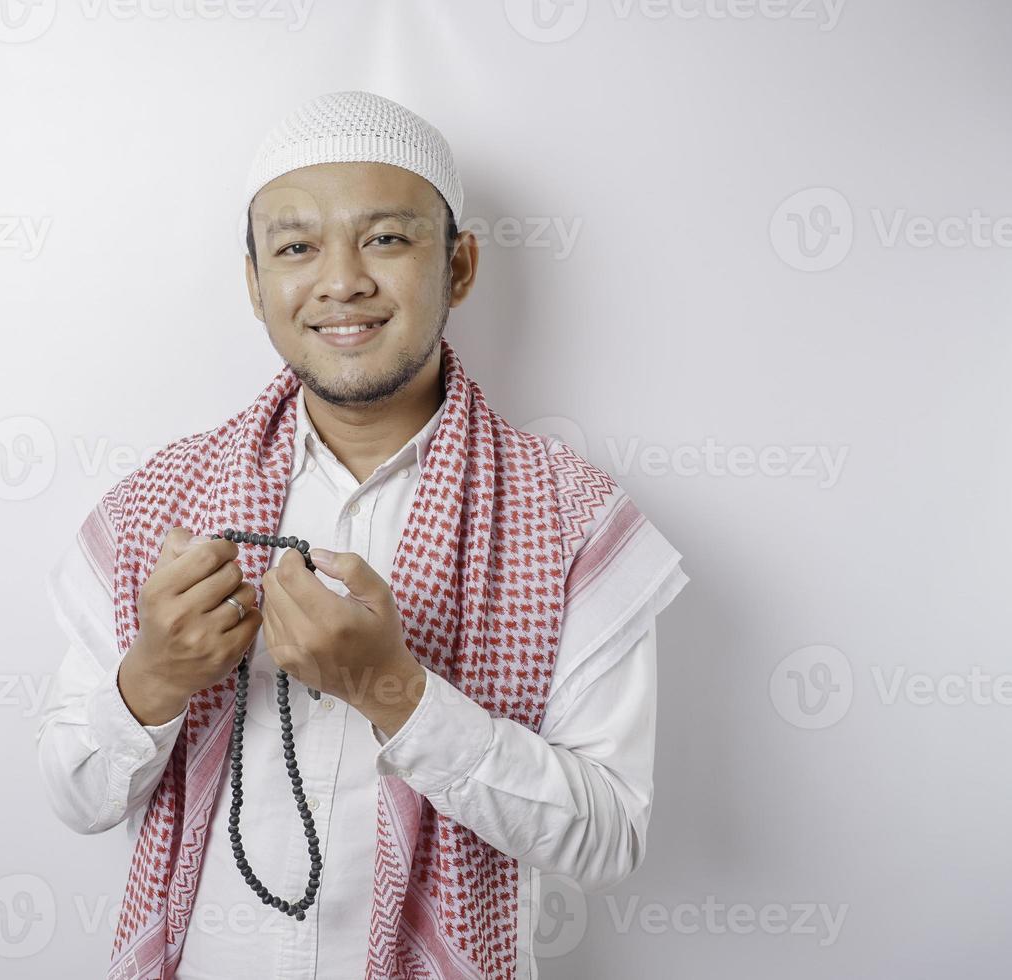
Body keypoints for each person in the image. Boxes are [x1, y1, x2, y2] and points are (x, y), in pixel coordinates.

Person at [35, 90, 689, 980]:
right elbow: (77, 797)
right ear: (255, 282)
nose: (341, 280)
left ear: (458, 267)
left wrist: (393, 691)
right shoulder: (160, 506)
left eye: (386, 238)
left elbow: (608, 836)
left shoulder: (570, 519)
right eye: (297, 246)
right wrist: (156, 675)